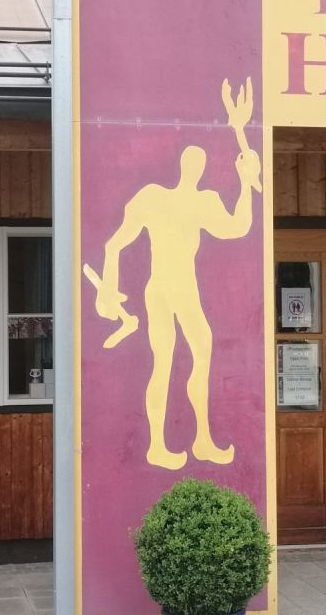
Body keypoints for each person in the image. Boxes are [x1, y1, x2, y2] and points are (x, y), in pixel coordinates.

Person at [87, 80, 261, 469]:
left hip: (180, 288)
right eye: (192, 162)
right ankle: (160, 445)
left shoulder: (200, 201)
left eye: (199, 163)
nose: (195, 167)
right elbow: (115, 244)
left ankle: (200, 440)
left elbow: (239, 227)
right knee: (167, 360)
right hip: (165, 289)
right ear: (184, 166)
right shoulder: (156, 198)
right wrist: (108, 288)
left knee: (196, 352)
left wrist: (246, 185)